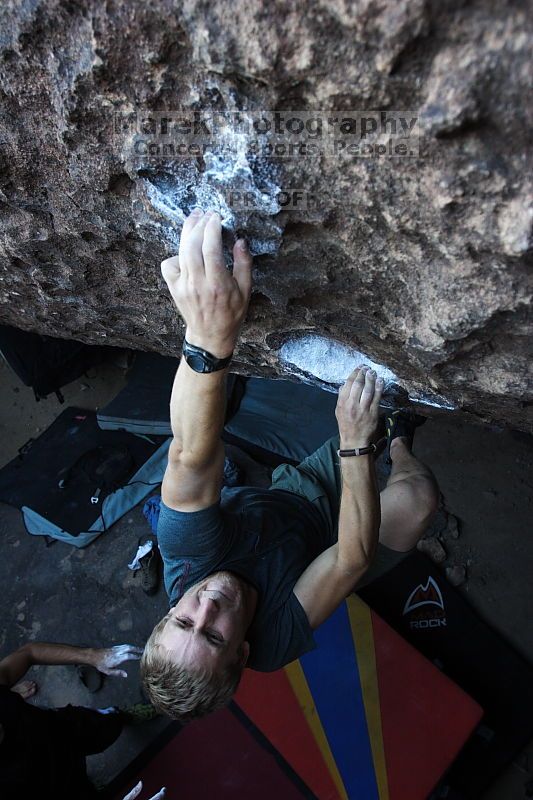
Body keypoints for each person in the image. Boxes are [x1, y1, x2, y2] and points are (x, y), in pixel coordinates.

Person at [141, 209, 438, 722]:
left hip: (296, 497)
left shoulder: (188, 555)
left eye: (185, 621)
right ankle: (397, 445)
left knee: (375, 432)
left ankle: (391, 434)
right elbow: (350, 559)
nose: (206, 606)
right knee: (417, 500)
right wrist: (353, 445)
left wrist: (207, 338)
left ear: (169, 612)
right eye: (213, 635)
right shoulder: (273, 643)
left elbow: (191, 453)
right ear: (242, 654)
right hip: (327, 546)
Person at [0, 639, 145, 799]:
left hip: (61, 729)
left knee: (108, 724)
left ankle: (122, 717)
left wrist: (93, 656)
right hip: (57, 789)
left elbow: (29, 653)